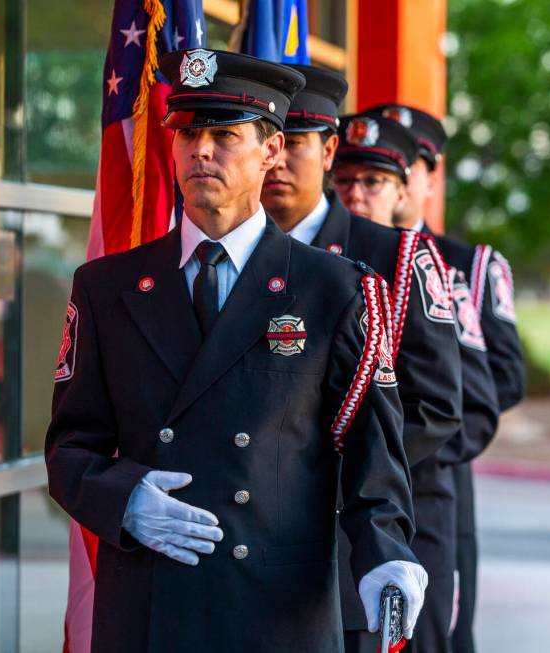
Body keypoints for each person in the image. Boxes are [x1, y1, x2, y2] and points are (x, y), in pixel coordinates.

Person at [45, 49, 426, 653]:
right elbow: (70, 448)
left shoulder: (337, 290)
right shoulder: (106, 286)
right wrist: (123, 500)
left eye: (225, 134)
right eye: (189, 132)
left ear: (271, 150)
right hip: (149, 605)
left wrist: (386, 557)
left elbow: (371, 455)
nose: (201, 150)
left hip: (274, 613)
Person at [260, 68, 463, 653]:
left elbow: (437, 408)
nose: (275, 159)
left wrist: (322, 475)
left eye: (292, 142)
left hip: (351, 544)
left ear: (326, 151)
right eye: (265, 138)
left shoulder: (398, 257)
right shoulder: (232, 255)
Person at [372, 103, 524, 653]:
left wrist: (407, 437)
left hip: (436, 471)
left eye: (414, 162)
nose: (398, 175)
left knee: (436, 630)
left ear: (430, 175)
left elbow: (502, 378)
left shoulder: (467, 265)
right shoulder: (337, 255)